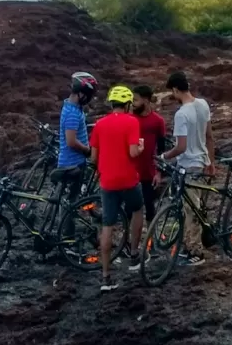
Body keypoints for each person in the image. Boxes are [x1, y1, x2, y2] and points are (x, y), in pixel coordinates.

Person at [89, 83, 145, 292]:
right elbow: (133, 153)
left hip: (108, 181)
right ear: (128, 104)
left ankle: (105, 277)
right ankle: (134, 255)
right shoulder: (132, 122)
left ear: (112, 103)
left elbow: (93, 158)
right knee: (137, 210)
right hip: (129, 180)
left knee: (107, 225)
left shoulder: (99, 124)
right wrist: (140, 148)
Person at [162, 71, 213, 266]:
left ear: (176, 89)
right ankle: (189, 246)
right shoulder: (203, 104)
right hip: (201, 162)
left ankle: (197, 253)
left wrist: (164, 156)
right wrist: (211, 162)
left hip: (188, 165)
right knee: (193, 207)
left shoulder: (181, 114)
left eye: (172, 92)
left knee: (191, 210)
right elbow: (209, 136)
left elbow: (181, 147)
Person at [57, 71, 99, 198]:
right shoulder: (73, 113)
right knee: (71, 203)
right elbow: (71, 141)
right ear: (81, 93)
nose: (88, 99)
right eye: (88, 95)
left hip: (71, 160)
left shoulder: (71, 107)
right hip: (73, 162)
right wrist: (87, 150)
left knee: (68, 199)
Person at [131, 84, 167, 225]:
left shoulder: (158, 121)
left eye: (136, 100)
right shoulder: (129, 119)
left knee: (150, 207)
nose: (133, 104)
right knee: (129, 210)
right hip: (130, 172)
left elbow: (162, 149)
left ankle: (150, 242)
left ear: (146, 100)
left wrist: (159, 173)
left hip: (149, 173)